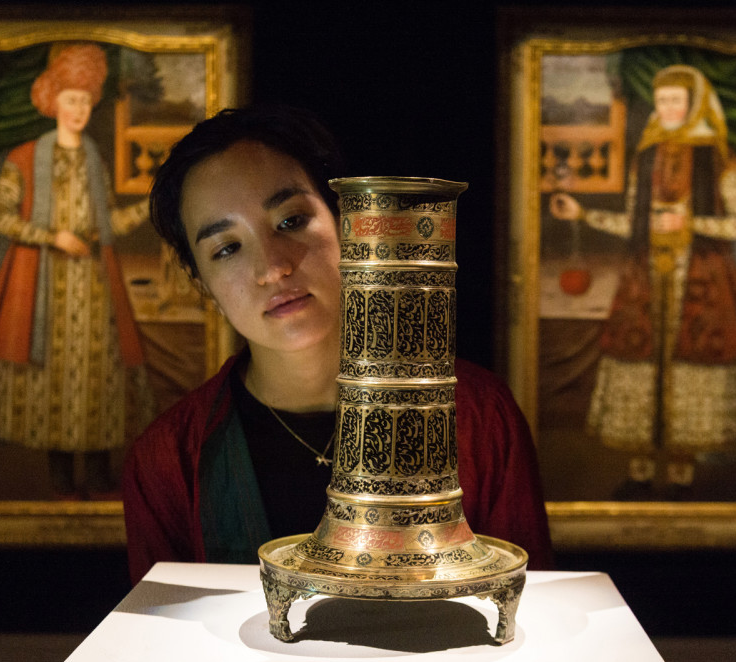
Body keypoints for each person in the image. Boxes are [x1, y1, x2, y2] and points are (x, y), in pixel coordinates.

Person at [122, 105, 554, 584]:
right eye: (226, 248)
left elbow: (529, 608)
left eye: (290, 221)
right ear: (202, 284)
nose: (273, 267)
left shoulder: (478, 416)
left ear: (350, 224)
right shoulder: (169, 460)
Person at [549, 64, 736, 499]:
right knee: (641, 367)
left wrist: (691, 221)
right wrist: (582, 214)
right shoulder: (647, 156)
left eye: (676, 101)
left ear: (693, 104)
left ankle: (679, 479)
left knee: (691, 368)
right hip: (646, 280)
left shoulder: (719, 157)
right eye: (661, 101)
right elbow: (633, 223)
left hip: (702, 278)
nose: (667, 109)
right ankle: (638, 474)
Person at [0, 42, 155, 500]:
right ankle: (59, 479)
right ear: (52, 101)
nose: (79, 109)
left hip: (94, 288)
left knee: (97, 378)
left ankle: (97, 475)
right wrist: (54, 237)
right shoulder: (25, 157)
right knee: (51, 377)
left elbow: (106, 224)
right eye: (71, 99)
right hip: (43, 288)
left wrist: (149, 208)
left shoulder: (93, 157)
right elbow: (0, 216)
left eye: (87, 101)